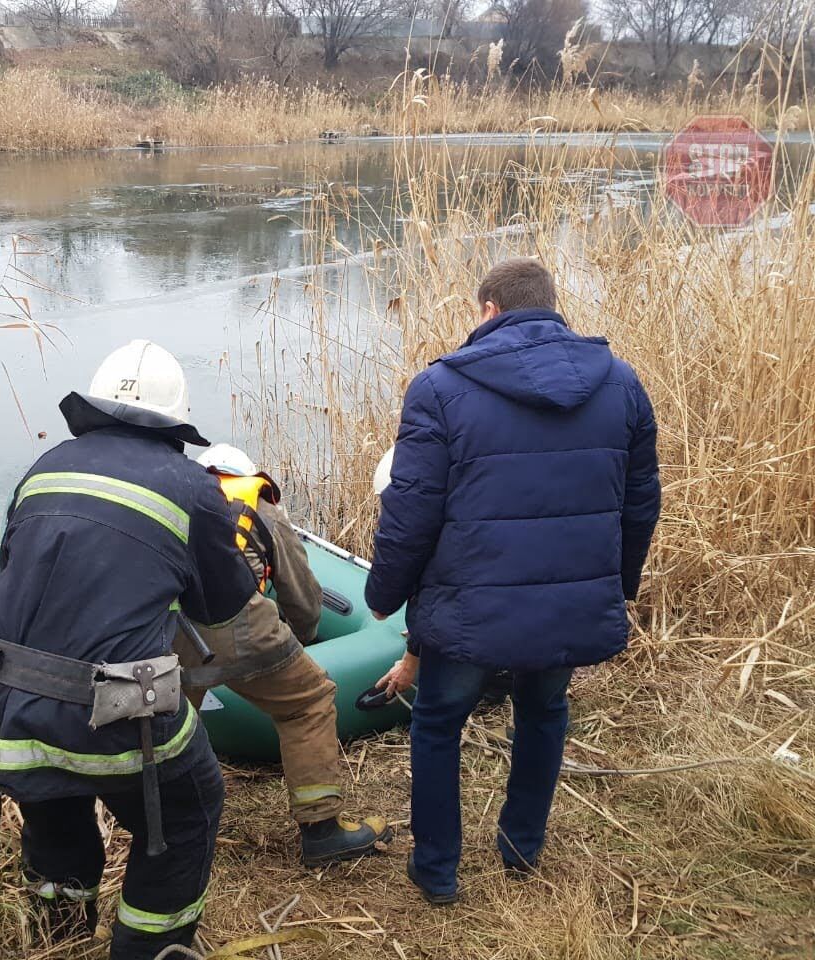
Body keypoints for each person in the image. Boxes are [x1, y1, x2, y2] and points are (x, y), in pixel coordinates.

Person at [365, 258, 661, 904]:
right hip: (568, 604)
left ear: (490, 311)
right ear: (553, 307)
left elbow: (410, 514)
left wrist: (383, 597)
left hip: (472, 613)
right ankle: (522, 847)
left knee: (439, 722)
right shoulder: (623, 385)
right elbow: (641, 502)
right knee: (544, 708)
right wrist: (617, 585)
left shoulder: (439, 389)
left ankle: (437, 870)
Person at [0, 340, 258, 958]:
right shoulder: (190, 486)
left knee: (55, 800)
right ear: (175, 422)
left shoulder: (46, 466)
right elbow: (223, 606)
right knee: (190, 809)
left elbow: (8, 567)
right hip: (117, 708)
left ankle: (59, 939)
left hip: (2, 700)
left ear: (95, 407)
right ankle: (151, 948)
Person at [178, 444, 391, 866]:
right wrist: (302, 640)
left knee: (174, 722)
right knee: (307, 700)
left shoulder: (174, 496)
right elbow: (304, 598)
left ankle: (176, 826)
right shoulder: (259, 508)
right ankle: (322, 831)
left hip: (174, 629)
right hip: (238, 626)